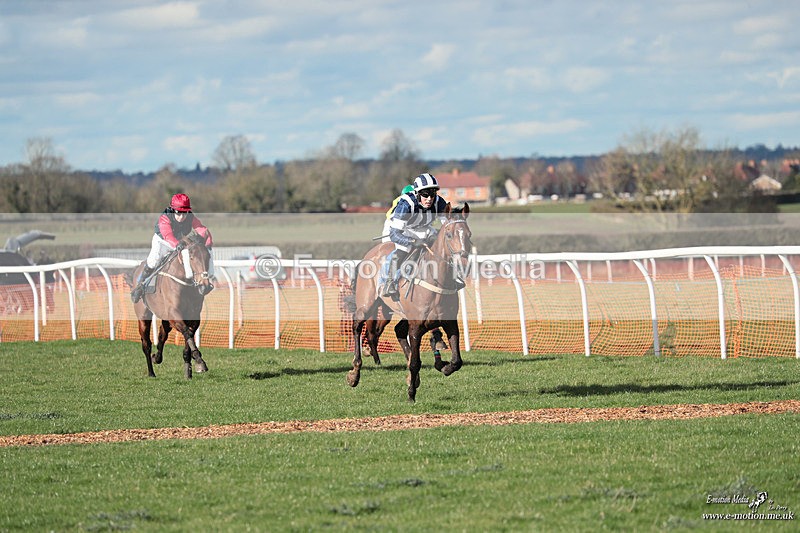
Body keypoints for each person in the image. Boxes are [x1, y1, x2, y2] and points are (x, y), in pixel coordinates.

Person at [131, 193, 215, 303]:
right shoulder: (165, 218)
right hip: (163, 241)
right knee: (153, 261)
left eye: (185, 213)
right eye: (178, 213)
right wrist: (177, 244)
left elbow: (202, 230)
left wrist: (208, 243)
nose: (182, 217)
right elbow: (168, 235)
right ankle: (140, 285)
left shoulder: (190, 217)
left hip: (180, 241)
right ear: (172, 210)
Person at [382, 173, 448, 298]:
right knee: (404, 249)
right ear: (417, 194)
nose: (429, 198)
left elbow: (446, 227)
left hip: (422, 227)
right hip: (403, 228)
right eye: (425, 194)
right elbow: (394, 234)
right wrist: (413, 241)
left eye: (432, 194)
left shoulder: (439, 202)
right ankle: (389, 282)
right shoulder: (406, 204)